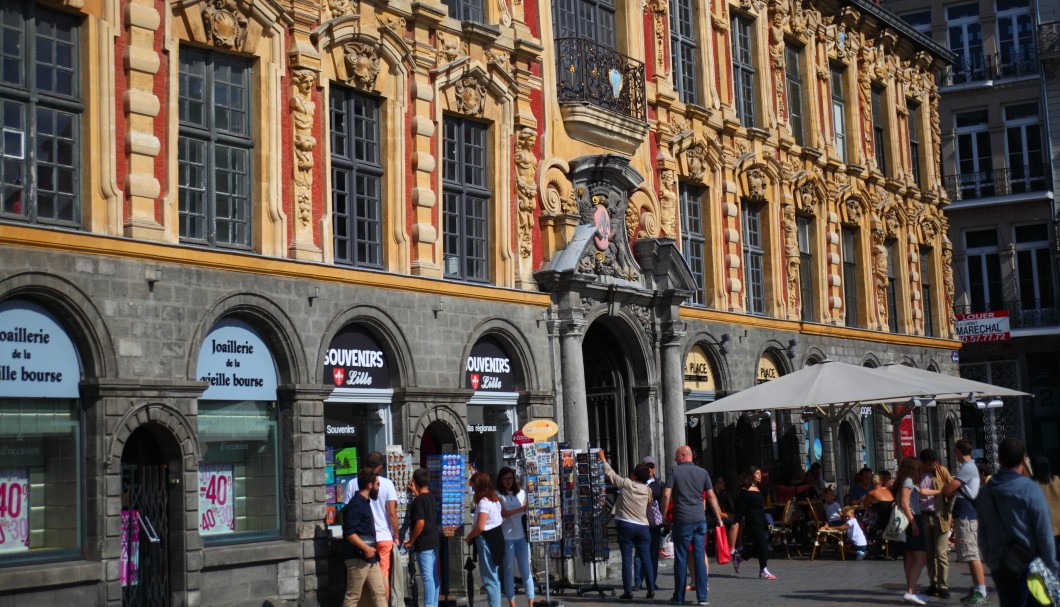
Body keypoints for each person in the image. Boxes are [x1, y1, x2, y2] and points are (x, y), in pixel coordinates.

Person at [977, 437, 1059, 607]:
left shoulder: (986, 492)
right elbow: (1044, 531)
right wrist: (1052, 568)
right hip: (1030, 565)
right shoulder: (1030, 489)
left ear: (999, 459)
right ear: (1024, 460)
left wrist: (992, 562)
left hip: (1001, 566)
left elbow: (982, 532)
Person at [660, 445, 724, 605]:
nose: (675, 460)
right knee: (699, 557)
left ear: (682, 456)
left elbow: (666, 493)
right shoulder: (703, 472)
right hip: (699, 520)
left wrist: (663, 516)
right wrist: (718, 517)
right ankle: (702, 597)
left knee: (681, 559)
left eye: (676, 456)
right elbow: (710, 496)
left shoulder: (674, 472)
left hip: (682, 520)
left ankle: (679, 597)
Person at [599, 451, 656, 600]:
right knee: (646, 558)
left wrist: (603, 459)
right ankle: (651, 589)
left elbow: (611, 475)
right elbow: (650, 504)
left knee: (627, 559)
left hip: (627, 525)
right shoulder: (648, 490)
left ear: (635, 476)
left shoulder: (627, 484)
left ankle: (628, 591)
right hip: (643, 527)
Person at [345, 451, 399, 602]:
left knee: (377, 589)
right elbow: (392, 513)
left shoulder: (352, 484)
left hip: (374, 542)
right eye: (376, 485)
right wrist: (396, 536)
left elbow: (343, 512)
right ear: (380, 467)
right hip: (370, 543)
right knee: (377, 581)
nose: (378, 486)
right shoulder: (386, 484)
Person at [941, 438, 988, 606]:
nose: (955, 453)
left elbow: (949, 488)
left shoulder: (967, 467)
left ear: (959, 451)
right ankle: (977, 589)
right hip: (967, 515)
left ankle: (981, 592)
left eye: (955, 450)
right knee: (971, 555)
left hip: (967, 516)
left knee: (972, 554)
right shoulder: (969, 467)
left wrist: (944, 489)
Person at [341, 467, 387, 607]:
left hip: (370, 556)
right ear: (370, 485)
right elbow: (348, 532)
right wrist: (365, 548)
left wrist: (369, 550)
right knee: (353, 596)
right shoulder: (355, 505)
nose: (378, 487)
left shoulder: (365, 503)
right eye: (377, 484)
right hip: (357, 557)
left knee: (379, 592)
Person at [895, 455, 932, 605]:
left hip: (908, 521)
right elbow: (904, 502)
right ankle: (911, 591)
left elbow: (923, 491)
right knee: (921, 557)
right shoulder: (908, 481)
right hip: (912, 519)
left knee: (910, 558)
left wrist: (941, 491)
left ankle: (912, 590)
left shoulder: (906, 481)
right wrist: (914, 523)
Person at [465, 471, 505, 607]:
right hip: (496, 538)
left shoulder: (484, 502)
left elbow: (480, 527)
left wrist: (469, 537)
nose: (472, 490)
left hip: (487, 540)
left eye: (473, 487)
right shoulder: (495, 499)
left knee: (490, 578)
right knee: (494, 577)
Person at [496, 466, 534, 607]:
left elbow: (527, 509)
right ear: (501, 480)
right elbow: (503, 513)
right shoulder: (498, 495)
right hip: (507, 537)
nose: (508, 481)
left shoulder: (522, 493)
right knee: (509, 571)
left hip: (521, 536)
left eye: (510, 478)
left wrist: (522, 509)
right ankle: (512, 604)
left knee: (526, 571)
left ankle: (531, 603)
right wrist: (520, 509)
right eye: (505, 479)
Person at [919, 448, 955, 599]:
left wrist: (950, 511)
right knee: (929, 553)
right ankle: (933, 582)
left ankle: (943, 585)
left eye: (933, 463)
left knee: (941, 553)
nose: (931, 466)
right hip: (924, 516)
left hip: (940, 516)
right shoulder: (918, 473)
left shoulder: (942, 471)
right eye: (929, 464)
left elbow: (953, 489)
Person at [403, 468, 440, 607]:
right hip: (434, 539)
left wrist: (410, 541)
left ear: (415, 481)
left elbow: (420, 523)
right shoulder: (430, 496)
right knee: (434, 575)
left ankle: (429, 605)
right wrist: (415, 492)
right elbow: (422, 499)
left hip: (424, 542)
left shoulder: (418, 501)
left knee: (427, 576)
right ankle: (434, 603)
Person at [731, 466, 776, 579]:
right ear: (751, 476)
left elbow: (761, 507)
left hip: (760, 519)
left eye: (760, 473)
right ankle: (763, 570)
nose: (760, 475)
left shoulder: (759, 488)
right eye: (757, 474)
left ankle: (740, 558)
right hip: (752, 520)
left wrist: (766, 521)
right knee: (763, 545)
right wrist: (736, 521)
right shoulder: (745, 491)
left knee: (759, 546)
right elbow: (740, 509)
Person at [634, 455, 664, 592]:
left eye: (652, 466)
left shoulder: (659, 484)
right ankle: (638, 582)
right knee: (639, 554)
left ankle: (652, 581)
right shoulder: (637, 483)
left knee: (653, 554)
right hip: (640, 522)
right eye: (647, 466)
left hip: (654, 524)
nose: (650, 469)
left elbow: (662, 501)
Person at [1029, 454, 1060, 558]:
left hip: (1046, 523)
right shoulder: (1056, 479)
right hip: (1059, 520)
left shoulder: (1033, 483)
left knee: (1051, 555)